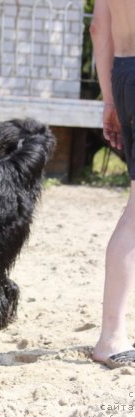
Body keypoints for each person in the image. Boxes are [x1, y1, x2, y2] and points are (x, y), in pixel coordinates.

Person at [91, 0, 135, 368]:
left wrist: (109, 101)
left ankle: (112, 334)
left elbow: (99, 29)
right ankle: (111, 337)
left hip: (125, 72)